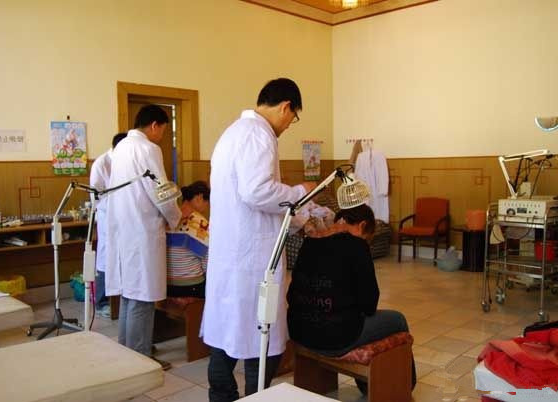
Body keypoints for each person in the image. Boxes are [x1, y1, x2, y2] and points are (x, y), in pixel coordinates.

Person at [201, 78, 317, 401]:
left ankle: (222, 396)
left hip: (230, 255)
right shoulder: (259, 134)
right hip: (250, 261)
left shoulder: (232, 133)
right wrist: (300, 192)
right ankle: (256, 397)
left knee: (227, 334)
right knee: (261, 341)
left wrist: (298, 218)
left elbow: (252, 200)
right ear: (286, 107)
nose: (289, 125)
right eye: (293, 118)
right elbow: (257, 192)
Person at [286, 204, 416, 395]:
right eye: (367, 238)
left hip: (300, 331)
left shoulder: (309, 241)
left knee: (353, 319)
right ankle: (401, 388)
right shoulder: (357, 246)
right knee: (397, 320)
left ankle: (371, 384)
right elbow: (369, 305)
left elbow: (292, 294)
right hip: (336, 338)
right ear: (362, 225)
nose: (366, 243)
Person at [105, 104, 182, 359]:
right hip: (143, 230)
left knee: (130, 295)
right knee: (143, 298)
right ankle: (139, 357)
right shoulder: (148, 149)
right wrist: (176, 217)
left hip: (125, 229)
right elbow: (161, 191)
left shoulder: (121, 148)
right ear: (154, 125)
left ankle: (126, 352)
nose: (161, 136)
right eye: (163, 130)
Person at [89, 132, 127, 318]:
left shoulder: (127, 161)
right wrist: (116, 205)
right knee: (106, 257)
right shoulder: (101, 164)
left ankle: (119, 301)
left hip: (126, 217)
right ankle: (102, 302)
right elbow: (96, 196)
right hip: (107, 217)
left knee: (122, 258)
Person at [166, 181, 210, 298]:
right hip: (191, 285)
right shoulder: (200, 222)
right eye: (207, 203)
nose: (206, 208)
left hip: (166, 284)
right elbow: (208, 260)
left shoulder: (170, 217)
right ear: (199, 198)